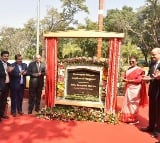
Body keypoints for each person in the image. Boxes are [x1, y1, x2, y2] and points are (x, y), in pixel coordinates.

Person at [119, 56, 148, 124]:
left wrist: (128, 80)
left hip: (135, 89)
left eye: (133, 61)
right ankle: (127, 118)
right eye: (130, 61)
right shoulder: (128, 69)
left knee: (133, 104)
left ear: (136, 62)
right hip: (129, 87)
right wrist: (124, 79)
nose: (131, 62)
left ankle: (134, 119)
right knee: (127, 103)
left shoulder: (139, 70)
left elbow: (139, 80)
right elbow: (126, 77)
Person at [141, 48, 160, 138]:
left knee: (158, 110)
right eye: (152, 55)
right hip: (152, 90)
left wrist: (152, 78)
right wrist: (146, 77)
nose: (152, 57)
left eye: (154, 55)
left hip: (159, 90)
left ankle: (157, 130)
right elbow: (150, 74)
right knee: (152, 109)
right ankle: (151, 127)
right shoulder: (152, 63)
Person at [0, 51, 14, 121]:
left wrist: (11, 71)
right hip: (0, 85)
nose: (6, 57)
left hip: (7, 86)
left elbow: (12, 75)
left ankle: (2, 114)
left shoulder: (9, 64)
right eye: (5, 56)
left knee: (3, 101)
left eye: (7, 56)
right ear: (1, 56)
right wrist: (6, 71)